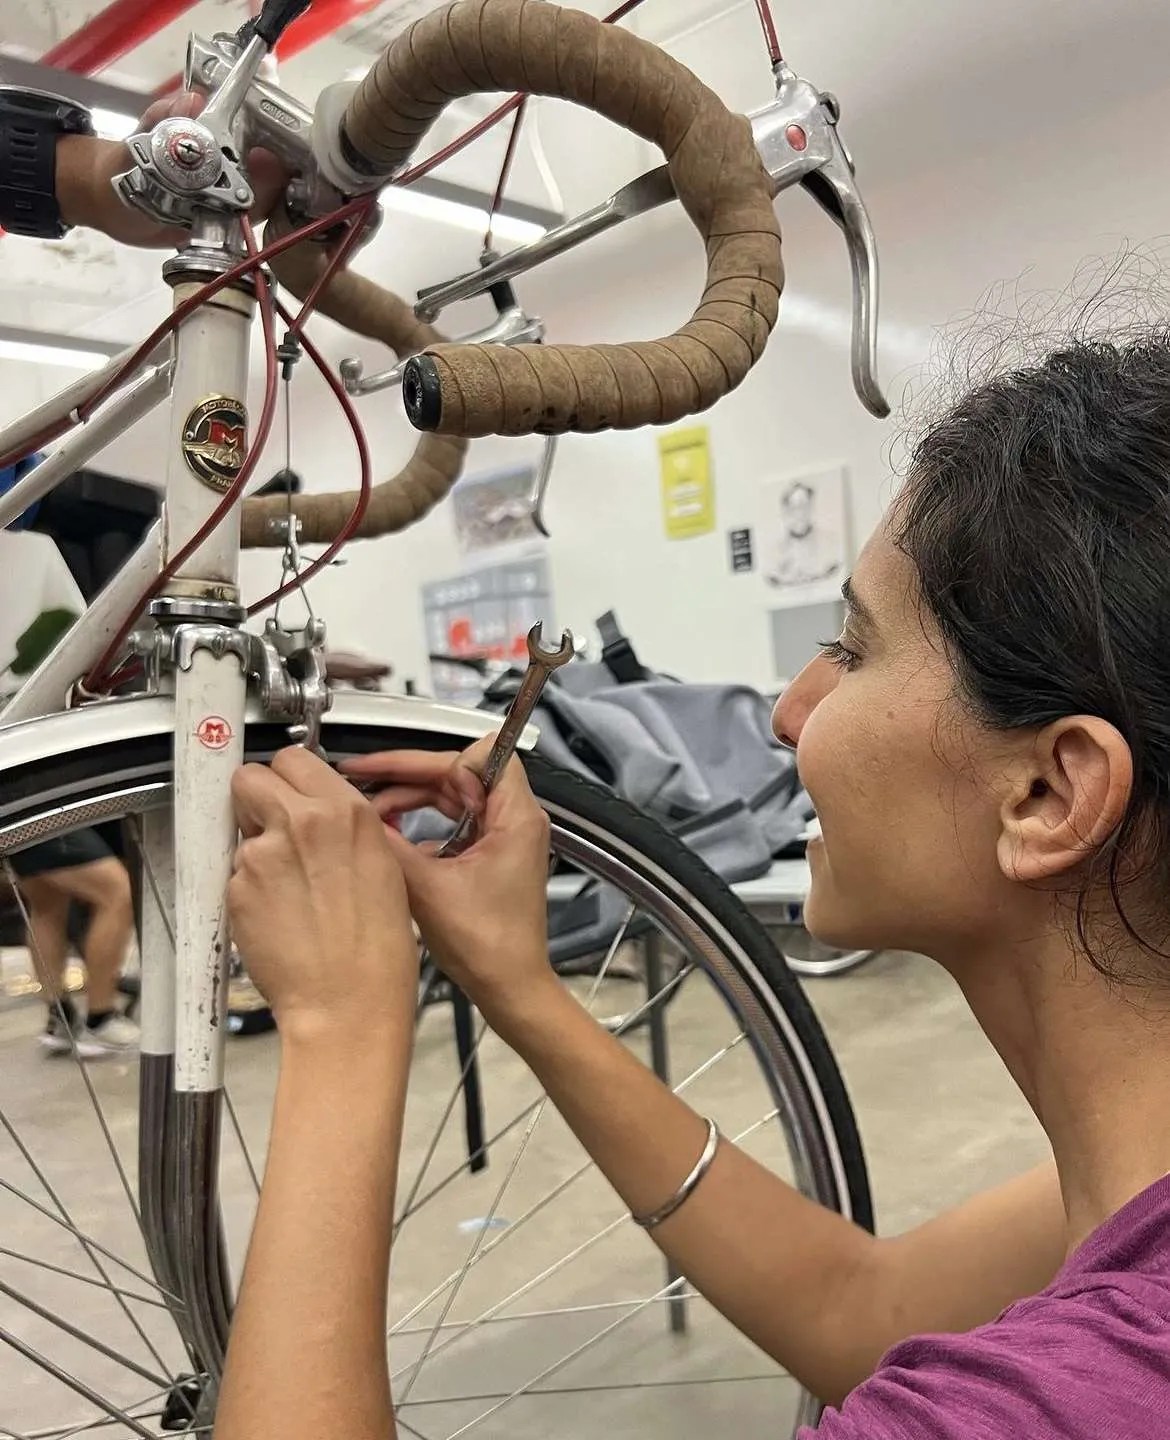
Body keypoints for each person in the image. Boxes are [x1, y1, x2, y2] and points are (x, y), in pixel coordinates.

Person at [217, 324, 1170, 1440]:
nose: (789, 712)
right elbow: (863, 1310)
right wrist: (518, 983)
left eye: (853, 649)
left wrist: (337, 1025)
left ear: (1049, 794)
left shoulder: (1088, 1392)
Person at [7, 831, 139, 1055]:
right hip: (48, 819)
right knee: (117, 894)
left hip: (20, 818)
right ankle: (100, 1019)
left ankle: (61, 1018)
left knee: (48, 904)